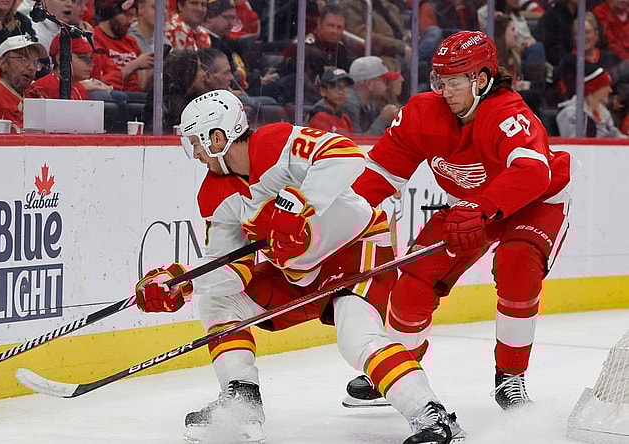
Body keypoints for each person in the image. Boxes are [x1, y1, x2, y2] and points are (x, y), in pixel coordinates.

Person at [134, 89, 466, 444]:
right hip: (298, 272)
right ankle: (242, 402)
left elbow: (345, 154)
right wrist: (183, 284)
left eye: (196, 143)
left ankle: (433, 417)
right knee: (218, 302)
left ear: (217, 137)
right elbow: (234, 269)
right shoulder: (215, 194)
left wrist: (300, 205)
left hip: (355, 251)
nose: (196, 154)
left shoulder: (277, 142)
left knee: (356, 339)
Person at [351, 30, 573, 412]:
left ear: (481, 80)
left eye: (453, 82)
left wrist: (482, 207)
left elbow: (531, 171)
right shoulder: (423, 112)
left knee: (517, 265)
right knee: (415, 280)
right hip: (474, 206)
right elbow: (381, 174)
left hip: (534, 203)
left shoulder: (508, 113)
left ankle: (511, 379)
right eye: (439, 81)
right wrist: (343, 217)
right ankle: (398, 370)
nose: (445, 91)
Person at [25, 33, 110, 99]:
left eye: (91, 57)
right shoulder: (43, 88)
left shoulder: (77, 87)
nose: (90, 63)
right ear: (60, 58)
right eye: (82, 57)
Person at [93, 0, 154, 93]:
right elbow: (101, 82)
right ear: (111, 13)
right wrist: (134, 65)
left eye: (133, 16)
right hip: (112, 97)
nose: (130, 21)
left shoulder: (131, 41)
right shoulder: (95, 39)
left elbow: (142, 85)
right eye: (127, 15)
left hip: (136, 98)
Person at [556, 64, 628, 138]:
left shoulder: (603, 112)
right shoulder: (571, 113)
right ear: (594, 89)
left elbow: (615, 135)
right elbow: (573, 144)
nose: (610, 90)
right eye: (606, 86)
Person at [343, 56, 402, 136]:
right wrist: (384, 120)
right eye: (384, 81)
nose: (388, 86)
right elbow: (357, 144)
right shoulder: (349, 104)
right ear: (369, 83)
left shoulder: (370, 103)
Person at [307, 67, 355, 136]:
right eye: (335, 87)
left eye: (345, 87)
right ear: (323, 91)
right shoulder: (320, 117)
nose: (341, 92)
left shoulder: (345, 118)